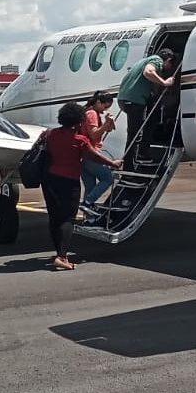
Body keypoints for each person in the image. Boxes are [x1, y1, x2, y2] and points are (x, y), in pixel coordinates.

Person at [42, 102, 122, 270]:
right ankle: (62, 257)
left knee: (54, 217)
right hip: (69, 181)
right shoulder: (79, 140)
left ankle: (58, 251)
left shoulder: (49, 134)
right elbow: (95, 157)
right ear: (79, 121)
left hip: (49, 180)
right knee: (68, 219)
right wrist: (113, 163)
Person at [117, 48, 177, 170]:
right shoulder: (156, 60)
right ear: (168, 59)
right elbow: (148, 72)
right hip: (134, 100)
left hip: (125, 98)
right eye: (170, 64)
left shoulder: (143, 60)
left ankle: (141, 154)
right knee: (134, 134)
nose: (170, 68)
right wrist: (164, 82)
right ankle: (131, 164)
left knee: (144, 124)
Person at [80, 91, 116, 216]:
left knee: (90, 187)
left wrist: (108, 122)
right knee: (107, 178)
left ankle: (88, 217)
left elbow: (109, 129)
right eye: (105, 106)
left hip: (84, 156)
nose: (105, 109)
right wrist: (106, 124)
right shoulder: (91, 114)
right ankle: (88, 203)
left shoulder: (92, 113)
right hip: (91, 154)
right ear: (98, 102)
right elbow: (94, 134)